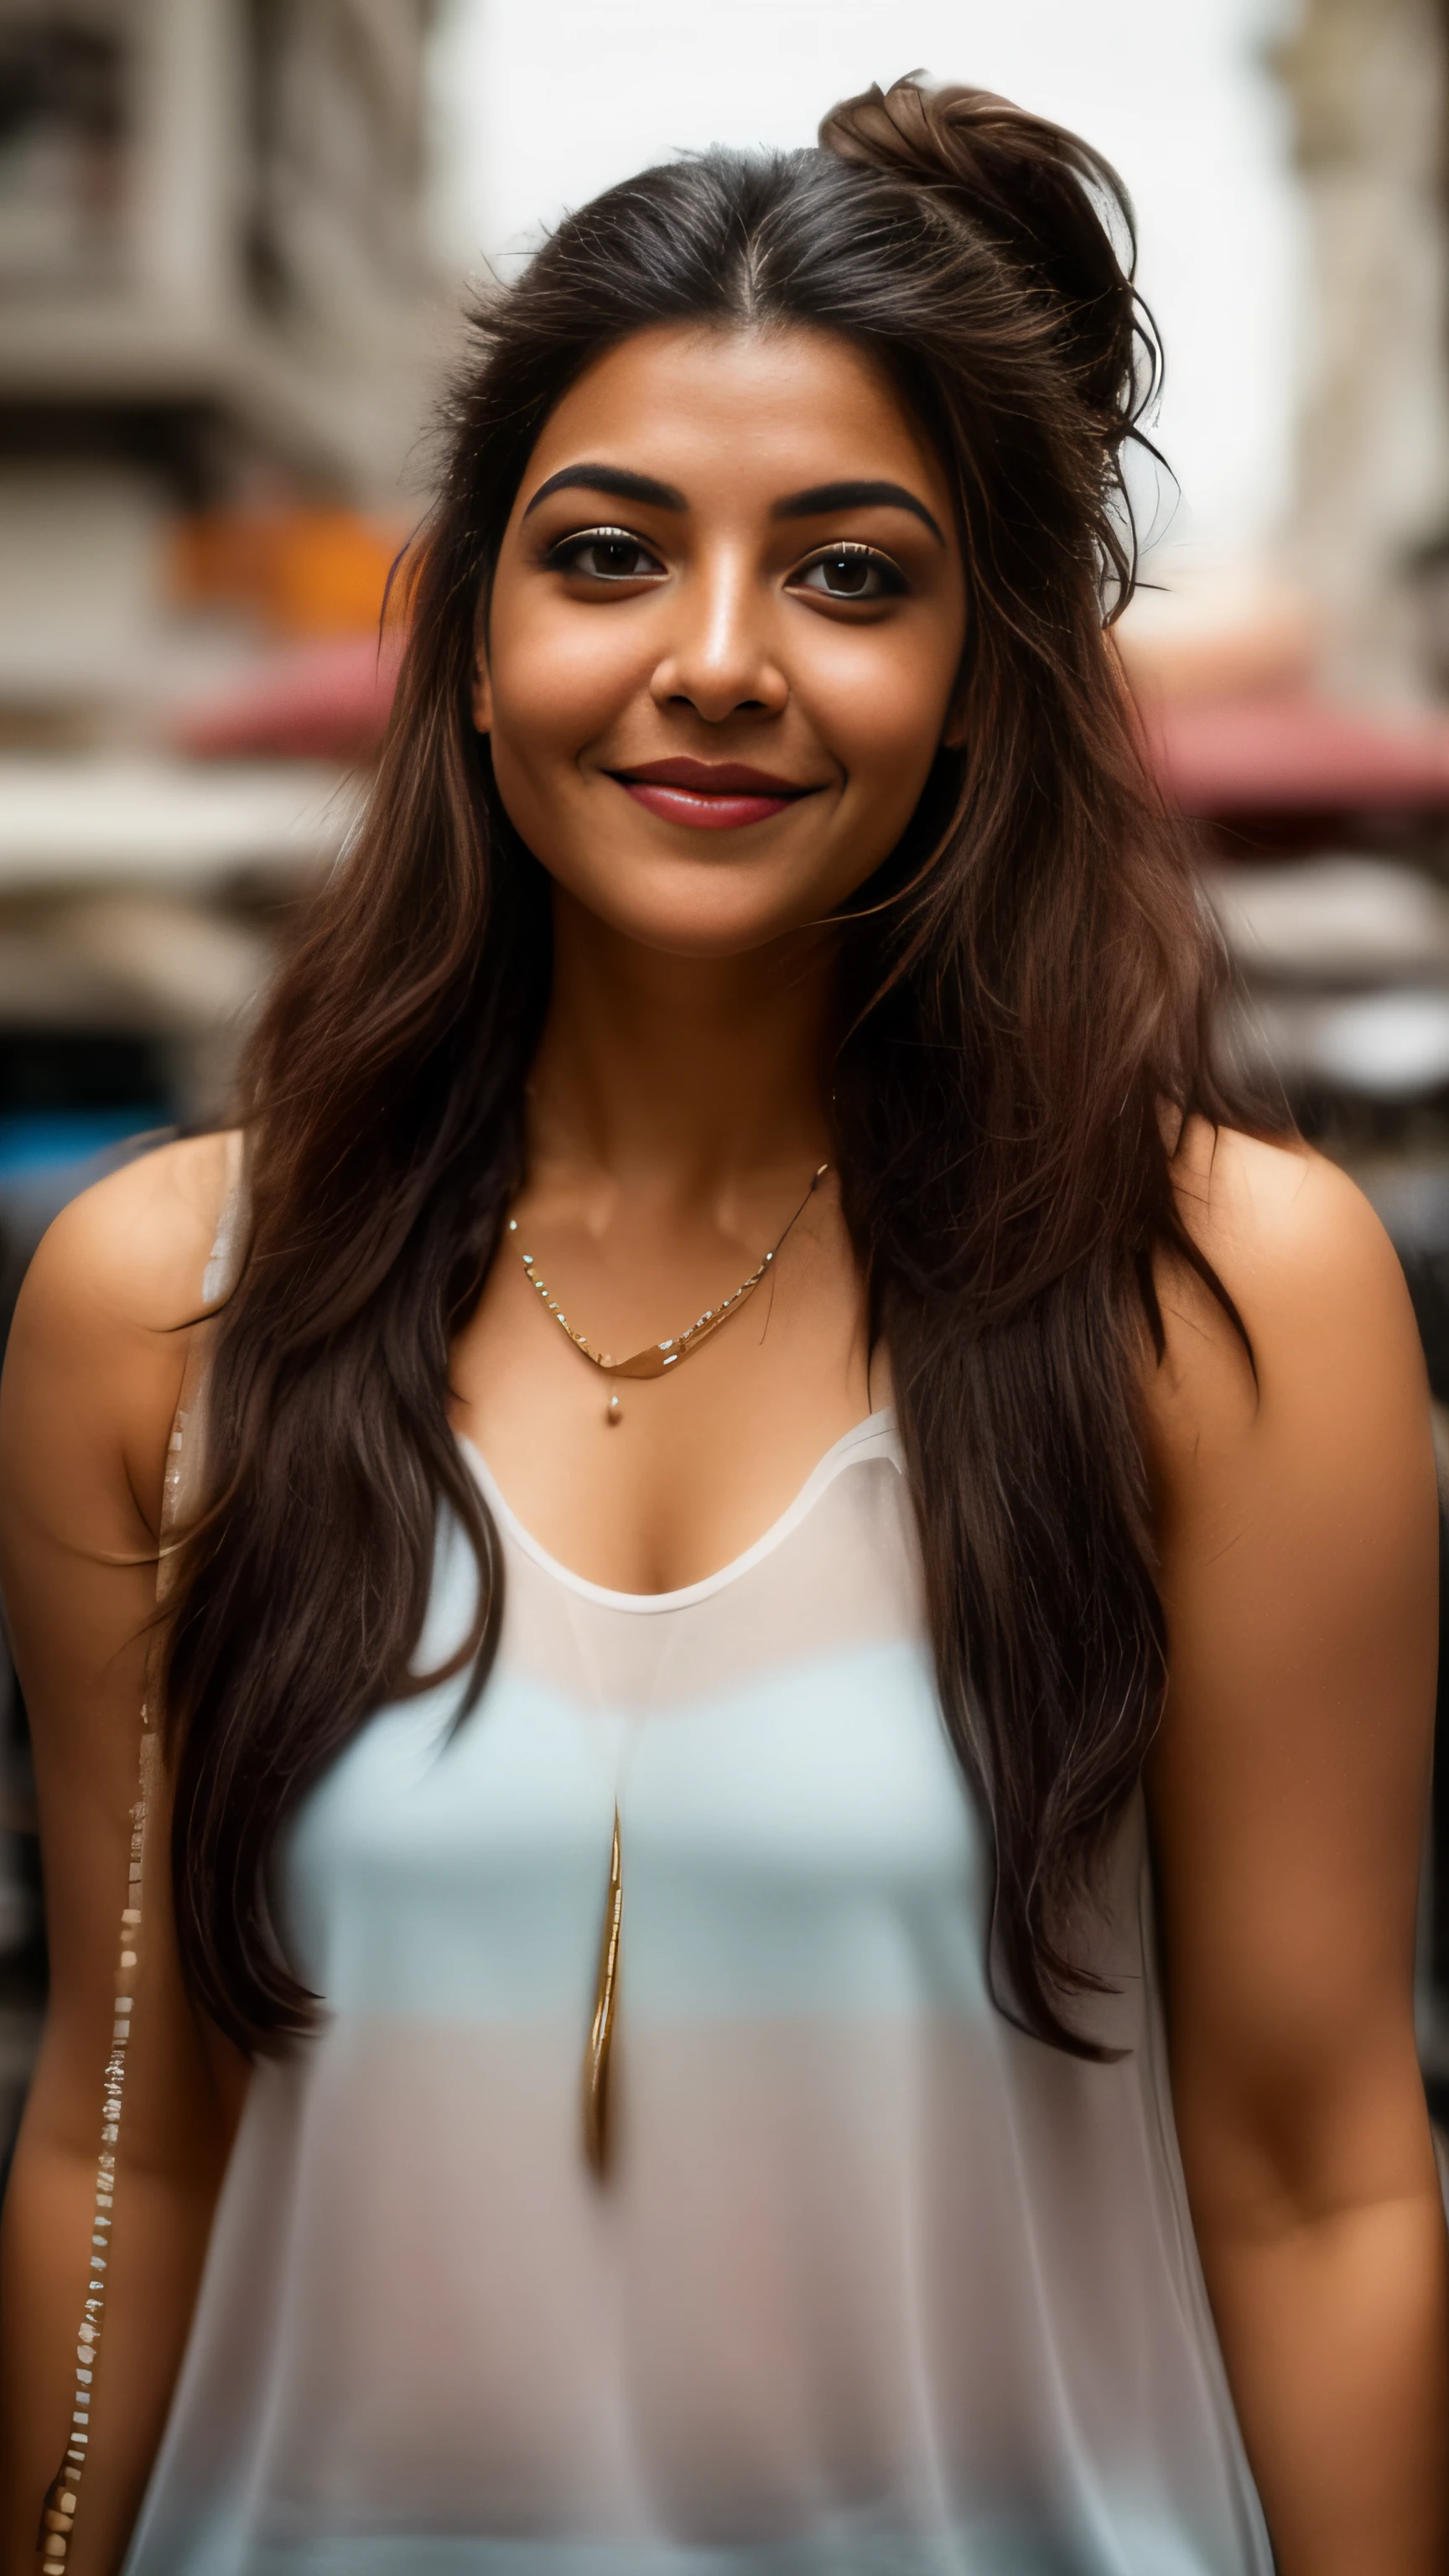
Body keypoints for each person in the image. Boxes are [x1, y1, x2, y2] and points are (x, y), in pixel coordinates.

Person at [0, 74, 1444, 2576]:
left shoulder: (1226, 1301)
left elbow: (1323, 2182)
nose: (716, 661)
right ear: (465, 639)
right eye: (606, 554)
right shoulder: (162, 1308)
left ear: (988, 677)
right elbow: (127, 2129)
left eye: (853, 577)